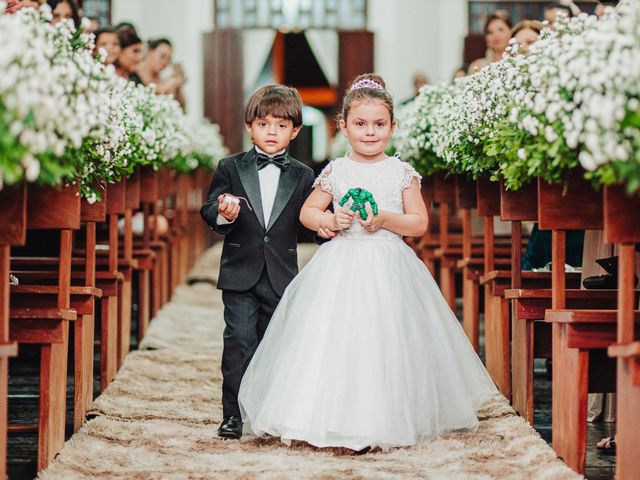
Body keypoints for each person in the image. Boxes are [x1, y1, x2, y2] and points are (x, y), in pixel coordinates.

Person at [238, 74, 498, 452]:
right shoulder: (336, 171)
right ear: (343, 125)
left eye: (379, 125)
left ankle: (387, 415)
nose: (370, 133)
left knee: (387, 337)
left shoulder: (401, 172)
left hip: (389, 264)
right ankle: (327, 416)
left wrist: (386, 220)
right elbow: (308, 213)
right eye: (360, 124)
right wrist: (331, 221)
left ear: (393, 127)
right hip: (341, 261)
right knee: (335, 337)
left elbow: (419, 222)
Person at [200, 85, 324, 440]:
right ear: (249, 126)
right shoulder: (230, 166)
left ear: (295, 130)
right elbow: (209, 209)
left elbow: (311, 219)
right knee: (238, 342)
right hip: (240, 272)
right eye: (264, 124)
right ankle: (233, 415)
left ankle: (270, 412)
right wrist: (223, 212)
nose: (272, 132)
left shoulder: (302, 175)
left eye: (282, 125)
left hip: (282, 275)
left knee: (276, 345)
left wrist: (331, 229)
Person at [136, 38, 186, 107]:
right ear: (149, 52)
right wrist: (166, 86)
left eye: (169, 59)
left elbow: (182, 107)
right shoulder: (134, 73)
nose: (165, 62)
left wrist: (177, 88)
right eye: (162, 56)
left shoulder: (161, 79)